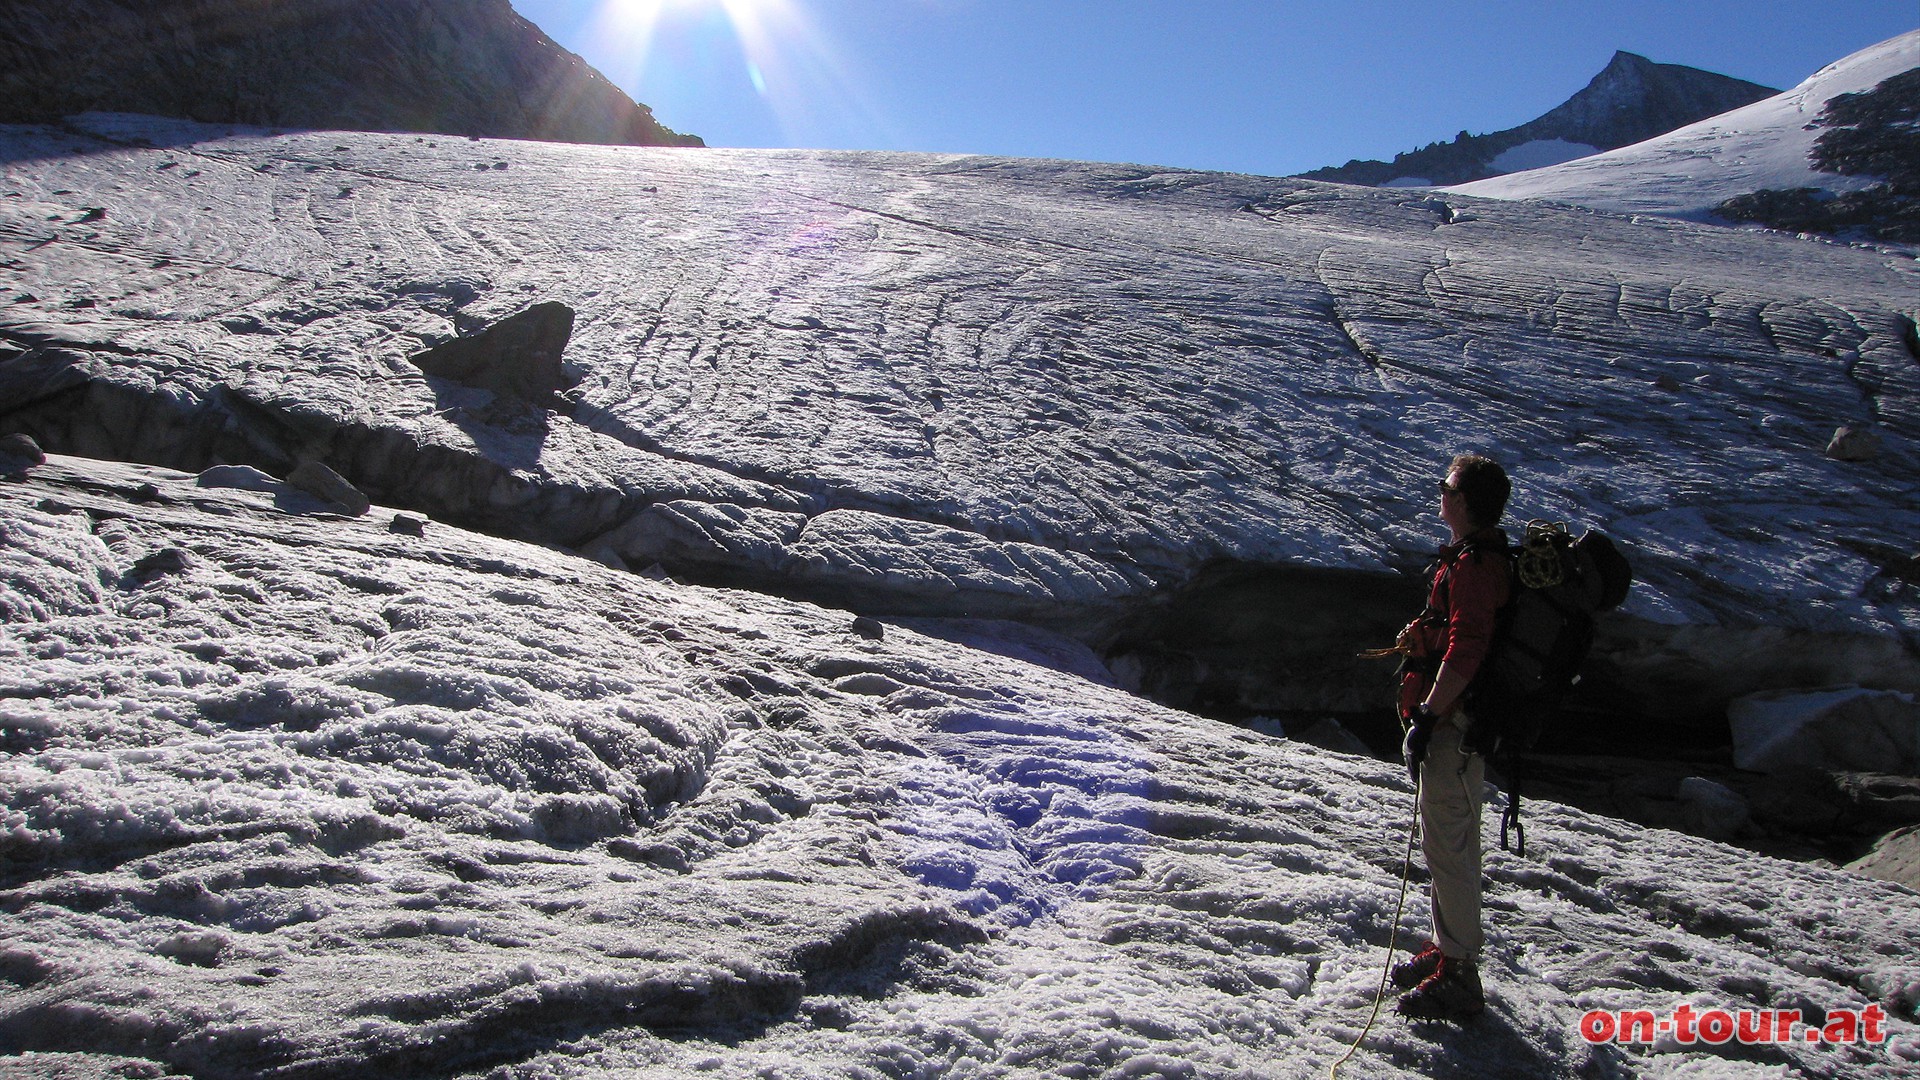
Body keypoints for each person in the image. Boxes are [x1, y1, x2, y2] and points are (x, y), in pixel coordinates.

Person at [1390, 453, 1511, 1022]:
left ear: (1462, 502)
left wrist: (1429, 717)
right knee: (1445, 846)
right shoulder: (1472, 560)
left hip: (1456, 729)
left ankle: (1461, 974)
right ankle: (1448, 950)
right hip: (1454, 725)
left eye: (1446, 487)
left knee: (1452, 849)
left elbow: (1467, 649)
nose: (1440, 494)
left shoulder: (1477, 566)